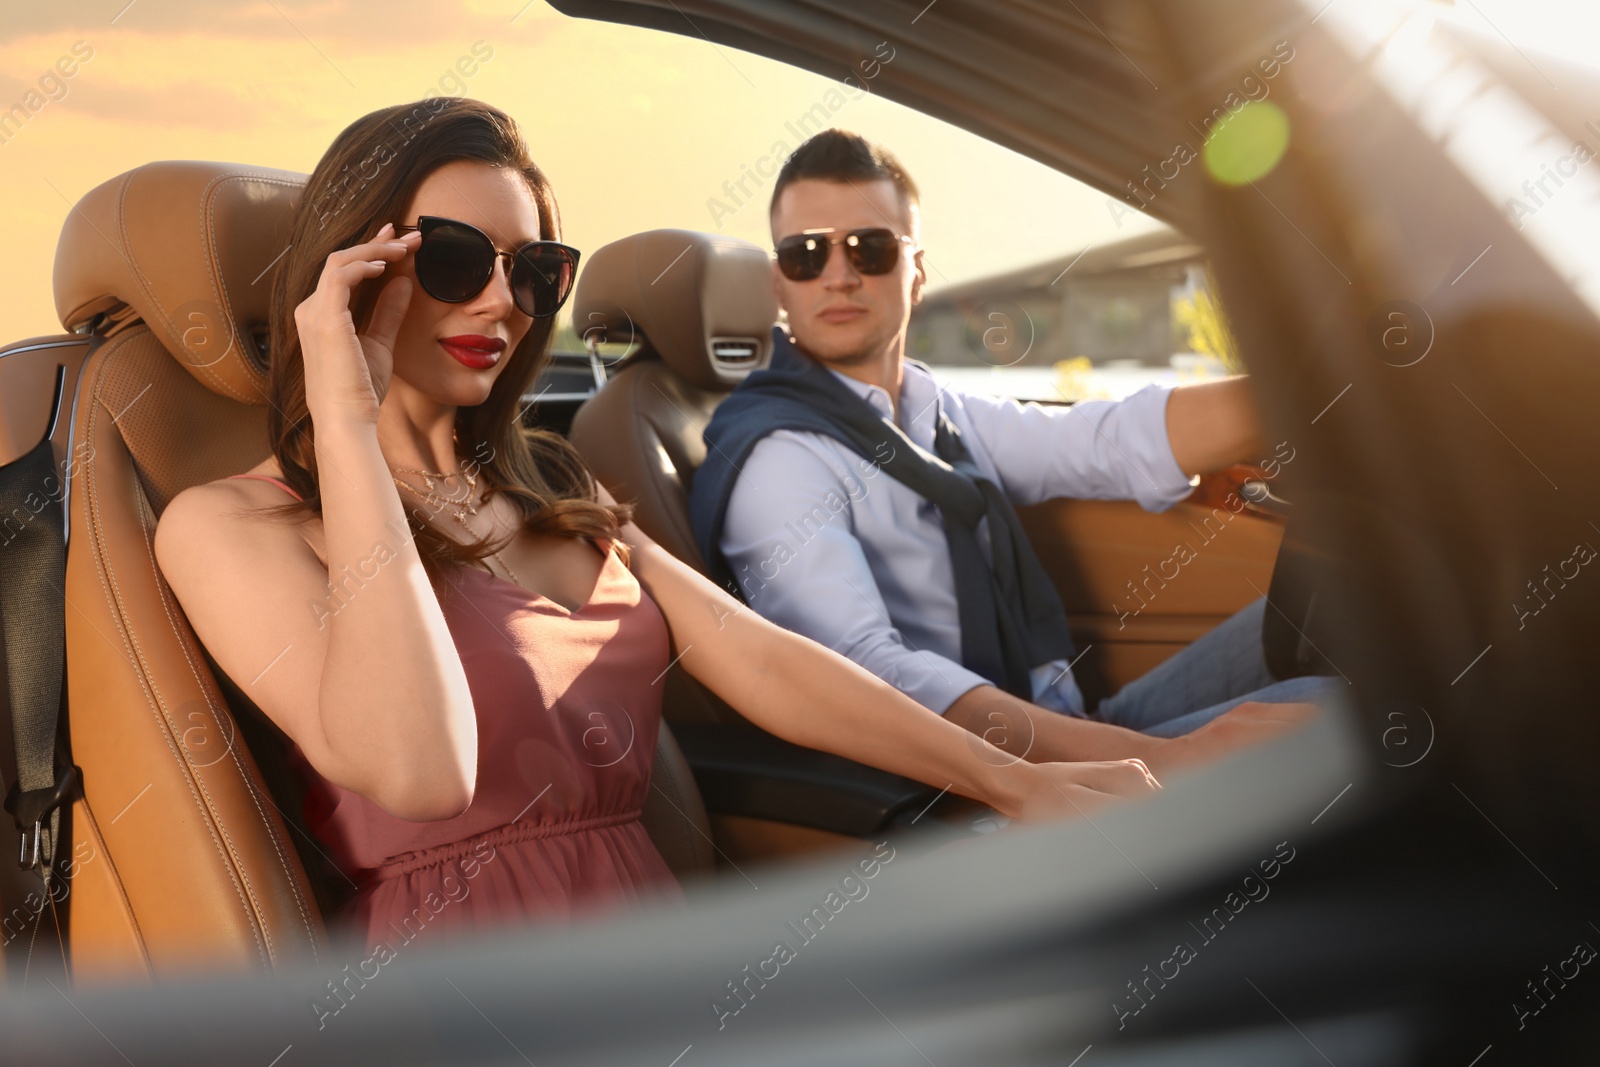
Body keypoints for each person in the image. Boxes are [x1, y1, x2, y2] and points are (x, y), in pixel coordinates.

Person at [152, 99, 1165, 956]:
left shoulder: (547, 481)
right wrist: (344, 420)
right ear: (353, 272)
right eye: (457, 259)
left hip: (653, 959)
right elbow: (422, 770)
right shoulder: (229, 525)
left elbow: (764, 662)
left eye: (535, 268)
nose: (504, 302)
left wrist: (1017, 780)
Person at [689, 128, 1330, 777]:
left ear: (915, 273)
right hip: (986, 785)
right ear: (779, 283)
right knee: (1347, 714)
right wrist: (1165, 760)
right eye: (806, 255)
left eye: (870, 248)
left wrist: (1320, 394)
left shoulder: (935, 411)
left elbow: (1105, 441)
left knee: (1337, 603)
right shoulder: (780, 458)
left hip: (1074, 727)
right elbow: (872, 678)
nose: (839, 275)